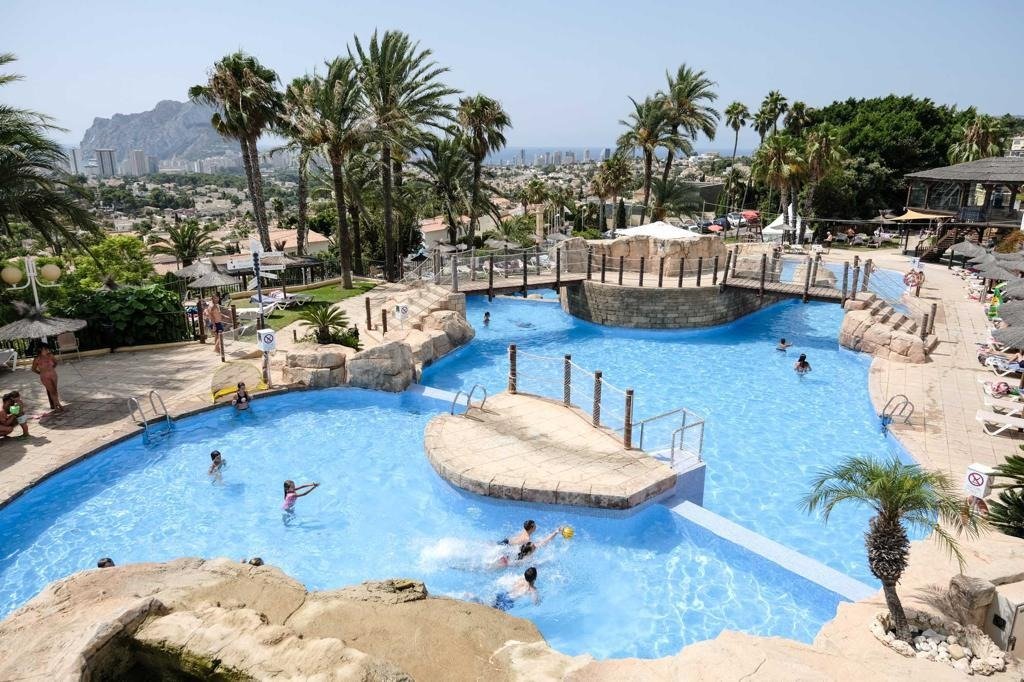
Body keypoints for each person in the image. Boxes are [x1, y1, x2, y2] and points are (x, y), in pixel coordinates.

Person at [492, 528, 564, 569]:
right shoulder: (523, 560)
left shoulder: (525, 549)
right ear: (529, 552)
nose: (535, 546)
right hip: (505, 562)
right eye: (534, 547)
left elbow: (544, 542)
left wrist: (556, 532)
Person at [31, 342, 62, 411]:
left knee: (55, 390)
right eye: (45, 349)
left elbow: (56, 363)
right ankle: (57, 404)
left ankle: (56, 404)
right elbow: (33, 369)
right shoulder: (37, 359)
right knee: (52, 390)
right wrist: (41, 373)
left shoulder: (50, 356)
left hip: (53, 374)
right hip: (44, 377)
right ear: (40, 349)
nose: (47, 350)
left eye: (47, 348)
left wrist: (51, 369)